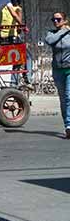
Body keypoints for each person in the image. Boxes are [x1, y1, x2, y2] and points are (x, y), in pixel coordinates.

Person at [43, 11, 70, 139]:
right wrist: (64, 30)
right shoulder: (52, 33)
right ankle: (67, 125)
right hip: (57, 71)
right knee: (63, 99)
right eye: (53, 19)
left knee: (69, 97)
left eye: (58, 19)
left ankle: (69, 126)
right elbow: (50, 41)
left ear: (64, 20)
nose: (55, 22)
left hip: (69, 69)